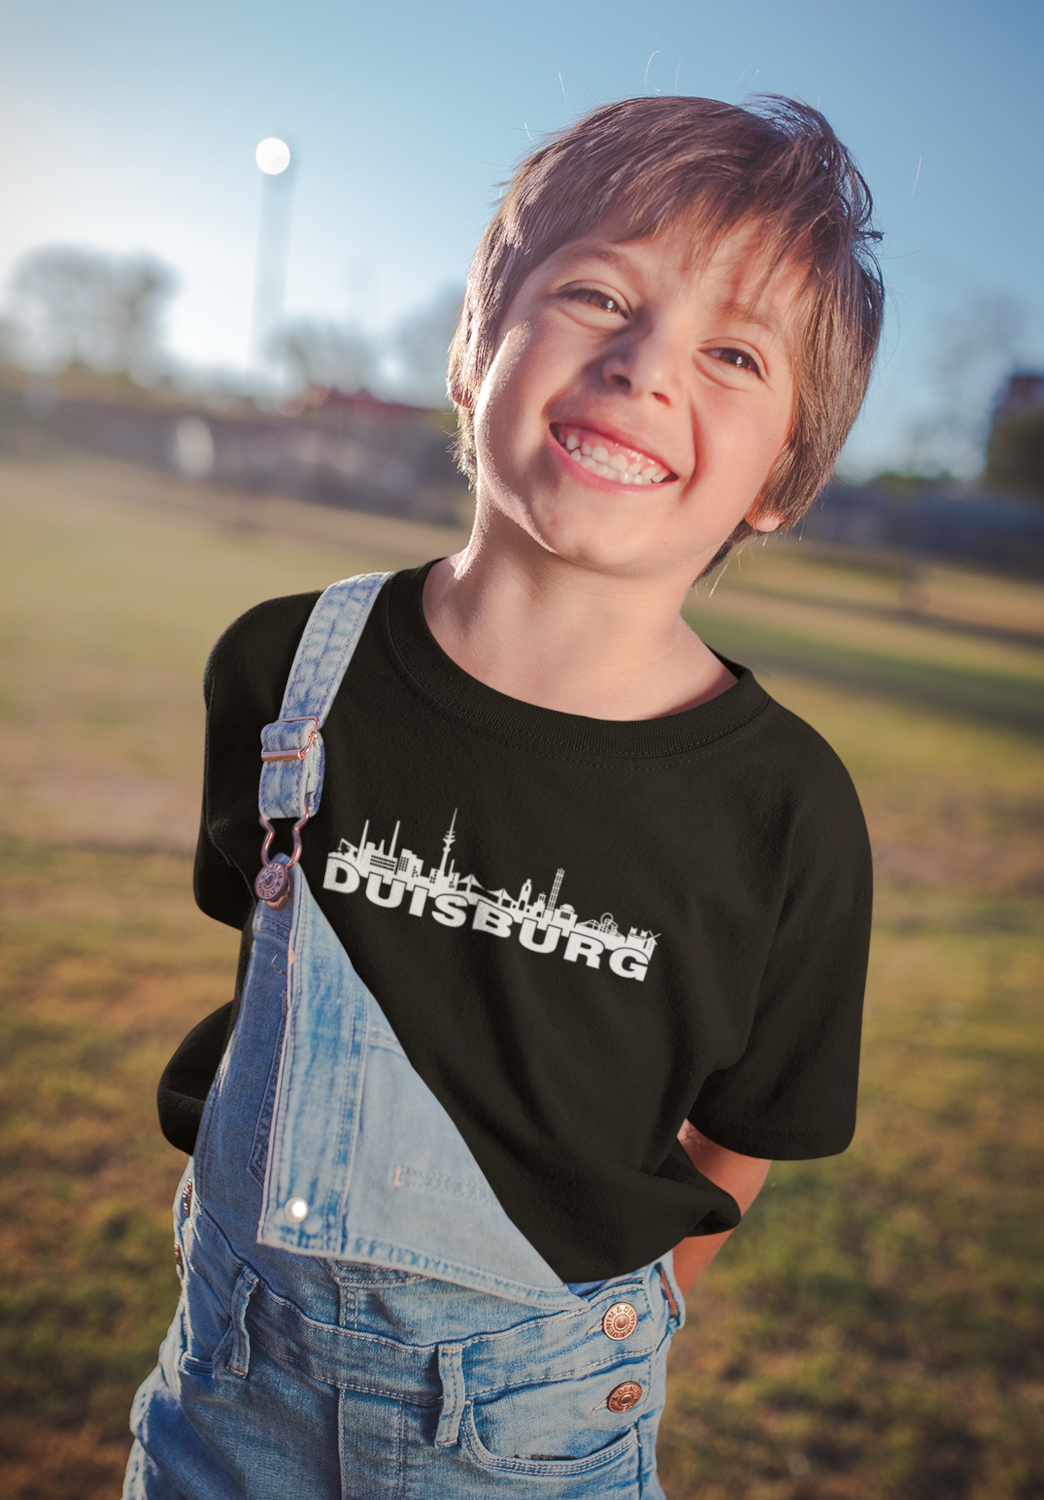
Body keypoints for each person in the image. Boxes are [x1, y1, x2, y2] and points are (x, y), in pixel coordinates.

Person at [125, 93, 882, 1499]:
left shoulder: (789, 811)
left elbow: (747, 1133)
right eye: (600, 293)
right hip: (225, 1405)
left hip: (532, 1442)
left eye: (732, 350)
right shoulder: (286, 664)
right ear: (477, 348)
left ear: (786, 473)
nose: (648, 366)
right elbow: (276, 955)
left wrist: (595, 1324)